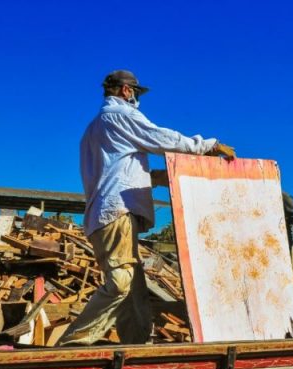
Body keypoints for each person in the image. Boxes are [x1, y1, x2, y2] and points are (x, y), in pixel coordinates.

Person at [57, 70, 235, 346]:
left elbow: (116, 173)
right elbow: (162, 138)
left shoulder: (93, 129)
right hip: (115, 212)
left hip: (104, 213)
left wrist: (158, 178)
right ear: (127, 91)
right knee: (120, 282)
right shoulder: (120, 116)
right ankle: (71, 345)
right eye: (136, 94)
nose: (138, 99)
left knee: (134, 293)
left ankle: (136, 347)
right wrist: (207, 147)